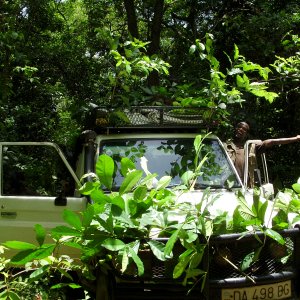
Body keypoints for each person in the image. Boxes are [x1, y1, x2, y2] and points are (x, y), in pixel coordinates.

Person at [224, 121, 300, 184]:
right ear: (235, 128)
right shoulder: (224, 146)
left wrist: (295, 138)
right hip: (227, 184)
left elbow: (272, 142)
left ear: (246, 134)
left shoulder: (250, 147)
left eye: (244, 129)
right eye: (239, 127)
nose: (240, 129)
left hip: (245, 186)